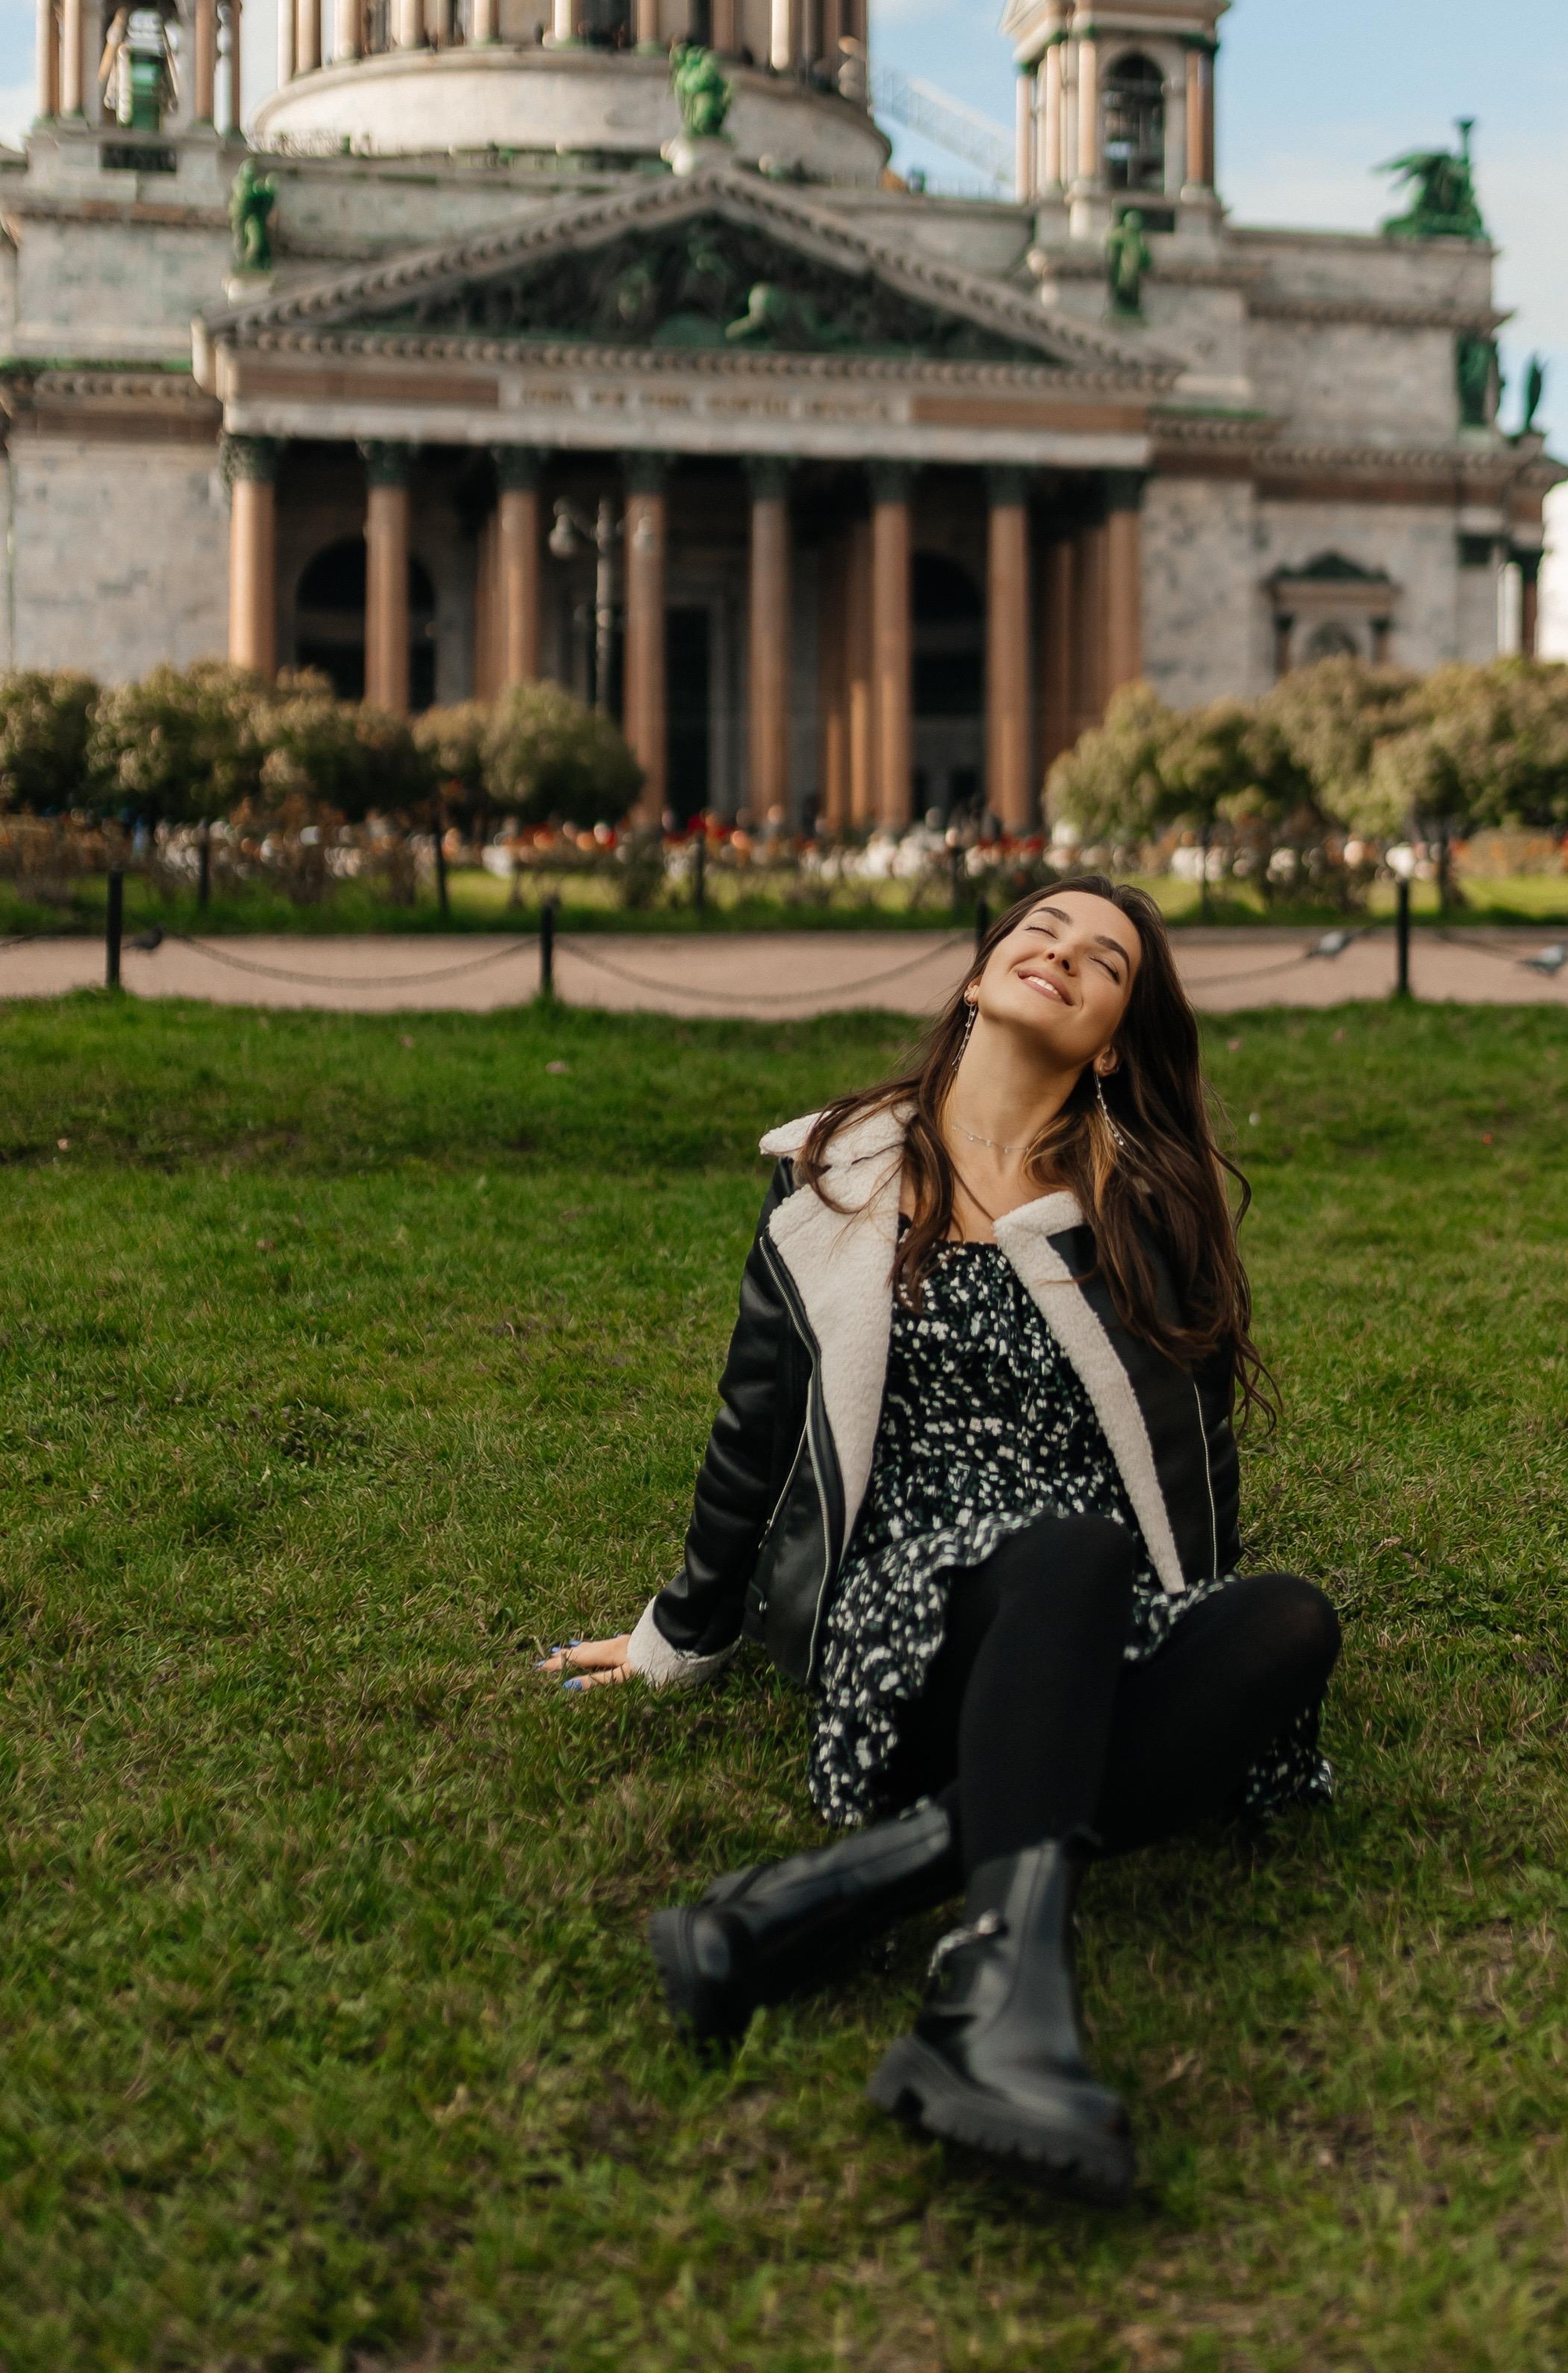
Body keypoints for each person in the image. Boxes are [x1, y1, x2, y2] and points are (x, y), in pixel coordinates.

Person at [540, 877, 1340, 2203]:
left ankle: (820, 1903)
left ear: (1117, 1040)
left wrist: (1195, 1623)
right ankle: (1000, 2008)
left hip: (1087, 1609)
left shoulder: (1142, 1200)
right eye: (1042, 932)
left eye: (1107, 963)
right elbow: (755, 1425)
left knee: (1291, 1620)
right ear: (979, 977)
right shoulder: (838, 1175)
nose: (1065, 957)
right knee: (1073, 1550)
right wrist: (680, 1631)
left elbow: (1199, 1452)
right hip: (912, 1607)